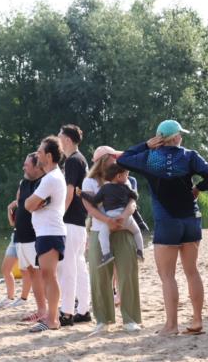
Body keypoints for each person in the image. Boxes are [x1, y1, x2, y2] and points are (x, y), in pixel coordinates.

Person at [116, 120, 208, 335]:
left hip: (166, 220)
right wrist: (198, 188)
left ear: (159, 139)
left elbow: (123, 159)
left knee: (167, 276)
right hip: (191, 218)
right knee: (192, 271)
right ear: (174, 137)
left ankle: (171, 326)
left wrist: (146, 145)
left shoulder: (149, 158)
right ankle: (197, 320)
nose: (182, 137)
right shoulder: (190, 156)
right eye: (180, 134)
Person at [82, 148, 142, 334]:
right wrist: (108, 221)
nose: (118, 159)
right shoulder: (89, 181)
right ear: (104, 159)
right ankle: (103, 320)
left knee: (128, 274)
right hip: (99, 231)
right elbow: (89, 207)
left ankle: (130, 319)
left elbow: (133, 203)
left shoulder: (126, 178)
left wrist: (122, 218)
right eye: (114, 156)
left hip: (124, 230)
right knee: (99, 276)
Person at [24, 136, 67, 332]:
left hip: (50, 232)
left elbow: (28, 204)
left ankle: (52, 319)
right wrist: (34, 205)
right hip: (46, 232)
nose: (37, 154)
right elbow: (30, 205)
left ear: (48, 156)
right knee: (47, 275)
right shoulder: (51, 177)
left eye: (40, 152)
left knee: (49, 276)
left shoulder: (51, 178)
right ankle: (52, 318)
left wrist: (34, 205)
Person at [57, 125, 92, 326]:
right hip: (80, 219)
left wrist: (59, 217)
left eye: (60, 137)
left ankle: (67, 312)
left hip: (70, 220)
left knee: (68, 267)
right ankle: (84, 309)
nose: (58, 140)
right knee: (79, 265)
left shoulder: (72, 161)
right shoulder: (81, 159)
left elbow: (69, 192)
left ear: (68, 140)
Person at [7, 153, 46, 321]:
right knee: (30, 272)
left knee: (40, 274)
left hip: (34, 236)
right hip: (21, 236)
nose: (23, 167)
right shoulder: (23, 183)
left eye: (27, 165)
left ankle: (44, 310)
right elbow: (19, 205)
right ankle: (40, 309)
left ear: (37, 167)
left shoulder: (43, 183)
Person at [82, 163, 146, 265]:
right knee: (137, 232)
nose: (128, 177)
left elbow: (94, 201)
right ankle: (140, 251)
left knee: (103, 235)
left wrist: (82, 194)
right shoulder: (125, 187)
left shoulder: (104, 188)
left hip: (111, 217)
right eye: (126, 174)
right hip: (126, 218)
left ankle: (107, 254)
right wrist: (132, 192)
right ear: (119, 176)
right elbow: (135, 196)